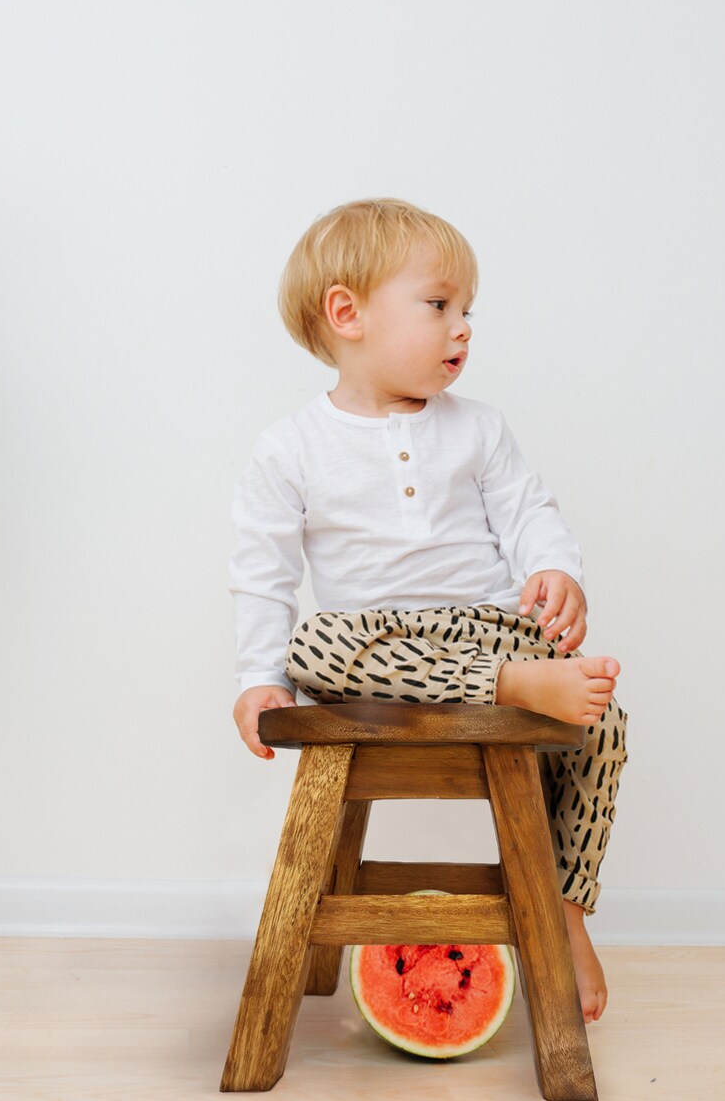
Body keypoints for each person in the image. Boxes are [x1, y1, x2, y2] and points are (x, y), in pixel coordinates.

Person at [229, 197, 629, 1024]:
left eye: (467, 310)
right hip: (377, 652)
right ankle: (510, 683)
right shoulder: (290, 447)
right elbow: (264, 571)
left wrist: (556, 570)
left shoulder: (479, 429)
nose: (463, 328)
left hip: (484, 628)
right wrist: (258, 678)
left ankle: (566, 908)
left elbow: (529, 512)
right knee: (316, 640)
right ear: (348, 314)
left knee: (607, 722)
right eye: (439, 305)